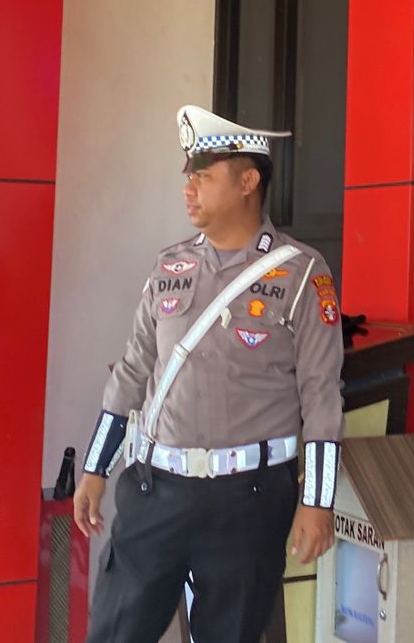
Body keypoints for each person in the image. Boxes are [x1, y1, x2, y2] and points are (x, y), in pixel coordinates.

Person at [74, 105, 344, 643]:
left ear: (248, 182)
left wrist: (317, 501)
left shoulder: (301, 273)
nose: (188, 188)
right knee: (114, 631)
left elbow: (321, 396)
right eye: (188, 175)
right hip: (155, 489)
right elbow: (132, 371)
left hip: (247, 500)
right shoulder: (170, 266)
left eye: (203, 175)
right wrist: (95, 468)